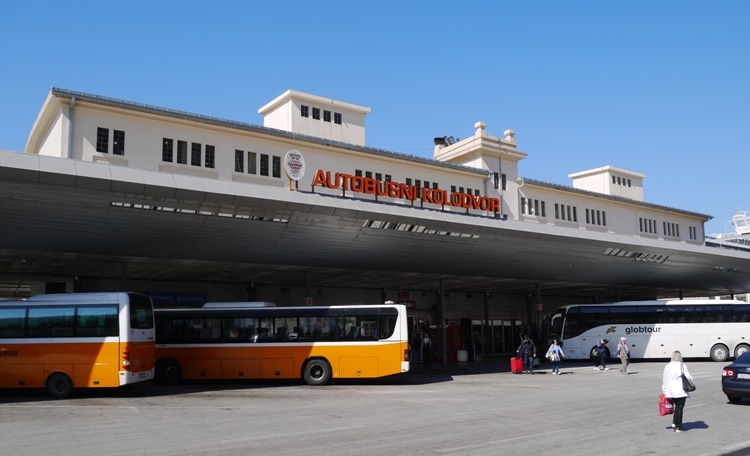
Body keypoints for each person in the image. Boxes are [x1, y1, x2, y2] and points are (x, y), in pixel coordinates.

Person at [662, 350, 694, 432]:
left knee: (677, 407)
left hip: (671, 390)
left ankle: (674, 423)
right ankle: (678, 426)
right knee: (679, 407)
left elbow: (665, 379)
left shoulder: (667, 366)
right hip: (680, 390)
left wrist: (664, 390)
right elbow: (688, 377)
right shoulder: (682, 365)